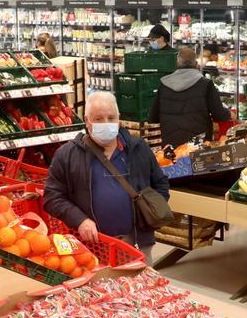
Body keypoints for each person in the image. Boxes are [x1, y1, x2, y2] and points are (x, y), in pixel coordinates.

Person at [43, 91, 169, 263]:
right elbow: (52, 196)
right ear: (87, 121)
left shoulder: (138, 149)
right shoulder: (67, 155)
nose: (106, 123)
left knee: (140, 288)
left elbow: (161, 184)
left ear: (119, 119)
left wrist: (150, 212)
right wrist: (80, 220)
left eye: (111, 117)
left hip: (137, 244)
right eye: (98, 118)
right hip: (92, 247)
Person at [149, 47, 231, 146]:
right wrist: (229, 114)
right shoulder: (205, 84)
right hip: (198, 145)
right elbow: (219, 115)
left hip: (170, 144)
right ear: (196, 64)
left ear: (177, 64)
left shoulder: (164, 84)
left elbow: (153, 117)